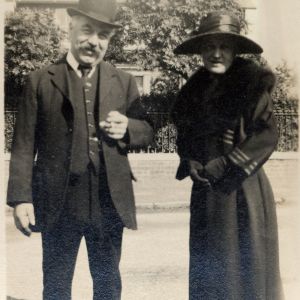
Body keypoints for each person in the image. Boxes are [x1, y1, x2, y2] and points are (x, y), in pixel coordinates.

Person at [6, 0, 153, 299]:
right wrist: (21, 198)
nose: (93, 41)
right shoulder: (40, 81)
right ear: (70, 26)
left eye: (103, 36)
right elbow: (23, 146)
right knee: (57, 285)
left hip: (108, 198)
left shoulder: (123, 81)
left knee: (109, 284)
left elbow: (148, 129)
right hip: (58, 199)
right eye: (87, 30)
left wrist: (128, 128)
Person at [172, 12, 284, 300]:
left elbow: (266, 135)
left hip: (242, 189)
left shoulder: (252, 84)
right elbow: (185, 136)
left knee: (244, 269)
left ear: (235, 50)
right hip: (206, 191)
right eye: (209, 47)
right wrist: (190, 160)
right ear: (200, 51)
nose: (216, 53)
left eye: (224, 46)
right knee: (209, 269)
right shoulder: (193, 89)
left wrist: (225, 163)